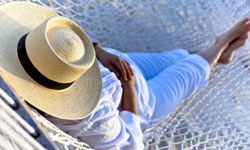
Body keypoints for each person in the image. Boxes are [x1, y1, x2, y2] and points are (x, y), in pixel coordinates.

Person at [0, 2, 249, 150]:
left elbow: (59, 37)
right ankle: (220, 46)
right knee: (191, 70)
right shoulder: (89, 117)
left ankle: (217, 56)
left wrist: (98, 51)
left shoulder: (26, 53)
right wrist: (129, 88)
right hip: (145, 101)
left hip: (117, 65)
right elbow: (132, 143)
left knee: (177, 57)